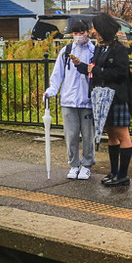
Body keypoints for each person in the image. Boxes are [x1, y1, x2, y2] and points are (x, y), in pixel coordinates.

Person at [79, 13, 132, 187]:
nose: (94, 31)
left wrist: (97, 71)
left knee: (122, 134)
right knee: (110, 133)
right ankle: (114, 172)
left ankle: (123, 175)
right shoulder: (99, 48)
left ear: (104, 30)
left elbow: (121, 73)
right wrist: (83, 67)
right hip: (102, 97)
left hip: (116, 97)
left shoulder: (119, 49)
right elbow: (94, 68)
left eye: (96, 28)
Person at [44, 20, 96, 179]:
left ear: (88, 32)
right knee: (71, 135)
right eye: (75, 33)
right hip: (68, 100)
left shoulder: (94, 51)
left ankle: (87, 164)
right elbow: (57, 75)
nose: (79, 36)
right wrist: (51, 91)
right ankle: (74, 164)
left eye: (82, 32)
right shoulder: (65, 52)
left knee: (88, 135)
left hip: (87, 101)